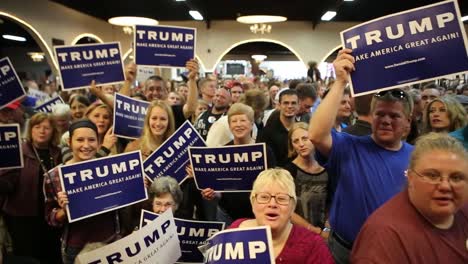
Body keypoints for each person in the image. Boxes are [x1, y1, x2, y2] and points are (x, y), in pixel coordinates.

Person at [309, 48, 414, 264]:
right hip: (344, 250)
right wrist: (340, 82)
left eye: (394, 116)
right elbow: (317, 135)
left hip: (393, 254)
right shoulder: (349, 146)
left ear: (408, 123)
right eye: (380, 114)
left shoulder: (418, 158)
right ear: (370, 117)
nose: (386, 120)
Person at [351, 133, 468, 263]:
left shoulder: (463, 208)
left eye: (456, 177)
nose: (445, 186)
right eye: (432, 175)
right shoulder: (384, 238)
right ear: (411, 178)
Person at [44, 120, 120, 264]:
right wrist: (63, 211)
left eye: (91, 140)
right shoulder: (54, 176)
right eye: (80, 140)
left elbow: (123, 203)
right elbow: (50, 218)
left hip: (110, 242)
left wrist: (136, 186)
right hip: (76, 248)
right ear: (69, 142)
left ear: (98, 143)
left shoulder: (112, 169)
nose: (86, 145)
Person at [229, 169, 334, 263]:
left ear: (292, 207)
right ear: (253, 202)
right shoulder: (236, 229)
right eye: (264, 197)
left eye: (282, 198)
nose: (272, 204)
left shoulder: (313, 245)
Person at [0, 113, 62, 263]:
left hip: (50, 216)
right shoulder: (19, 150)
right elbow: (7, 185)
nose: (42, 131)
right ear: (30, 129)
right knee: (28, 256)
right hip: (23, 217)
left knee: (52, 254)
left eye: (47, 128)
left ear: (53, 131)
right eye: (37, 126)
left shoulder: (58, 152)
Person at [201, 103, 276, 225]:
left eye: (243, 120)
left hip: (258, 215)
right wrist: (214, 193)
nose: (238, 124)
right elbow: (221, 189)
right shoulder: (222, 152)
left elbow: (273, 183)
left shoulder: (264, 151)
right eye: (234, 121)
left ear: (252, 124)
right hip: (227, 214)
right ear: (229, 126)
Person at [284, 122, 328, 231]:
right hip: (296, 232)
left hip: (326, 232)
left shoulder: (327, 169)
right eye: (296, 141)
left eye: (305, 138)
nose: (301, 144)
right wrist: (313, 230)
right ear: (292, 146)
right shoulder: (288, 172)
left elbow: (332, 202)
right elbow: (286, 209)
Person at [258, 89, 299, 166]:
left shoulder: (303, 129)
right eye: (286, 103)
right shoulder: (267, 132)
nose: (290, 106)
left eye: (293, 103)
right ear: (279, 105)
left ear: (298, 106)